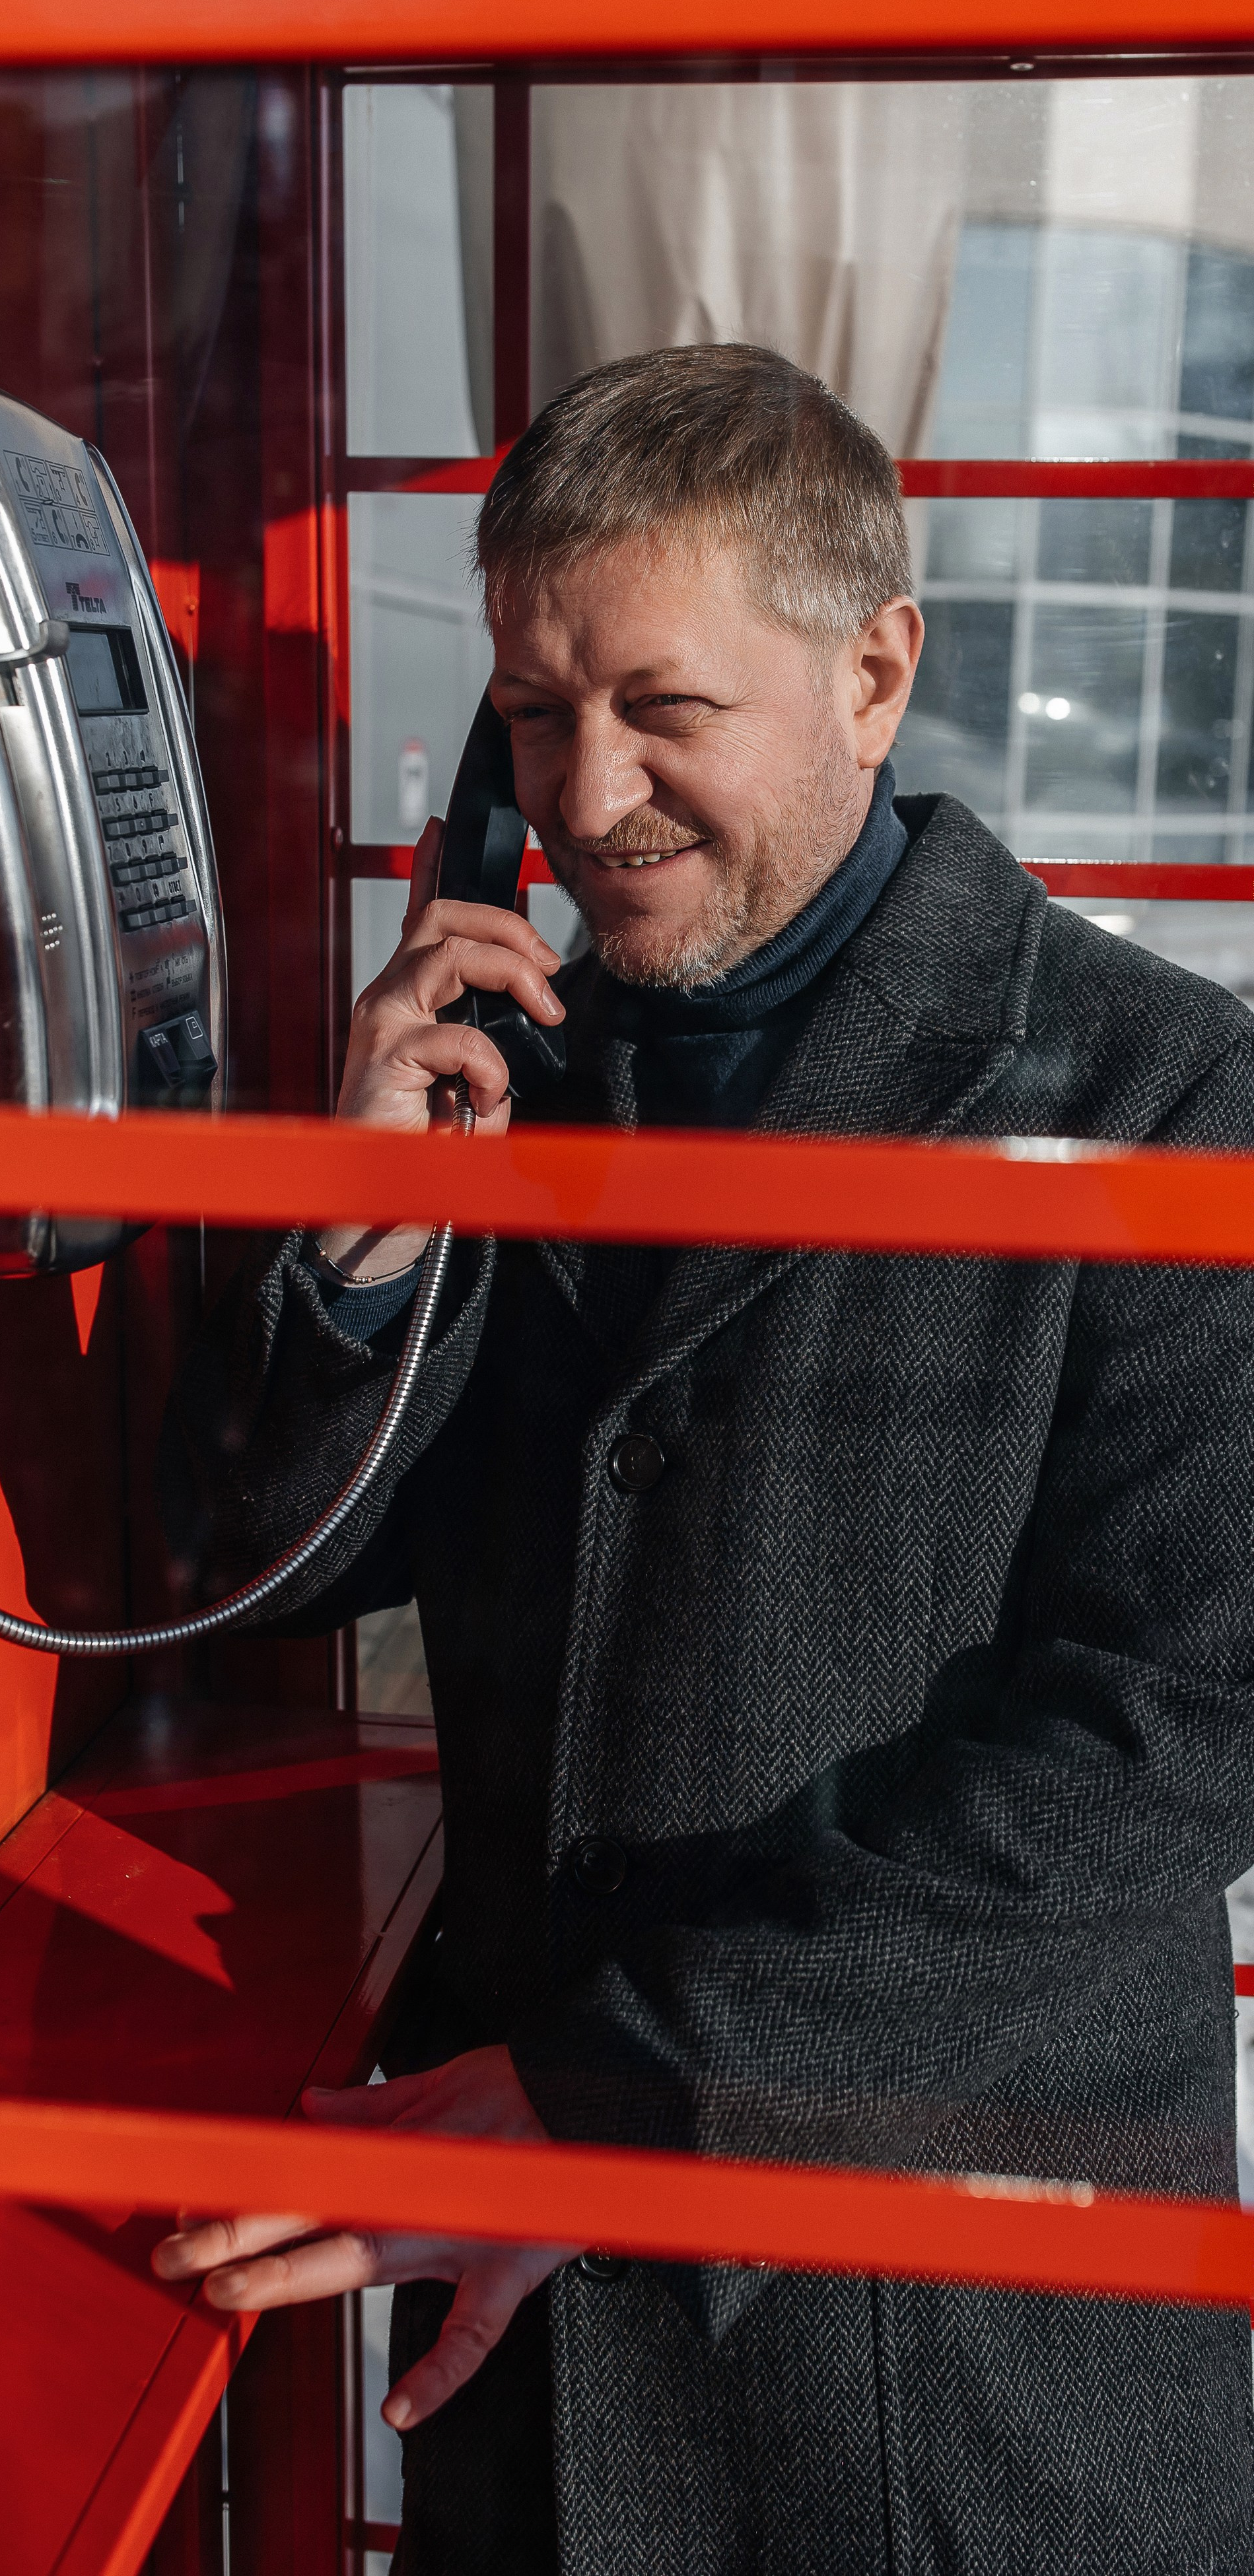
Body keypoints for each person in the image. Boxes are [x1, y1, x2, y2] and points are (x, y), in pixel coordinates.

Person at [153, 344, 1254, 2574]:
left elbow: (1182, 1736)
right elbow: (234, 1580)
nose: (588, 794)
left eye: (667, 707)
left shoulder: (1168, 1099)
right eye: (537, 716)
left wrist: (617, 2089)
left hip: (941, 2368)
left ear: (872, 671)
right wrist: (363, 1251)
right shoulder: (506, 1088)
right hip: (545, 2374)